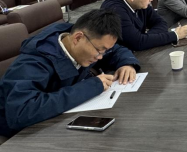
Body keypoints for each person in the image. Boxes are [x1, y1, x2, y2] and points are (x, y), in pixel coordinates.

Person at [0, 10, 139, 138]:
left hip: (58, 118)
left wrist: (127, 63)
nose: (101, 56)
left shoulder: (82, 37)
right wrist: (90, 87)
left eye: (104, 51)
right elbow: (21, 112)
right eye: (99, 51)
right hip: (20, 134)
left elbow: (115, 50)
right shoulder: (32, 63)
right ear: (77, 38)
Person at [101, 0, 187, 51]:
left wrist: (145, 38)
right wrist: (175, 35)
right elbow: (137, 43)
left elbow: (162, 23)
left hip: (138, 51)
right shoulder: (115, 10)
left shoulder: (140, 3)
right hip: (118, 57)